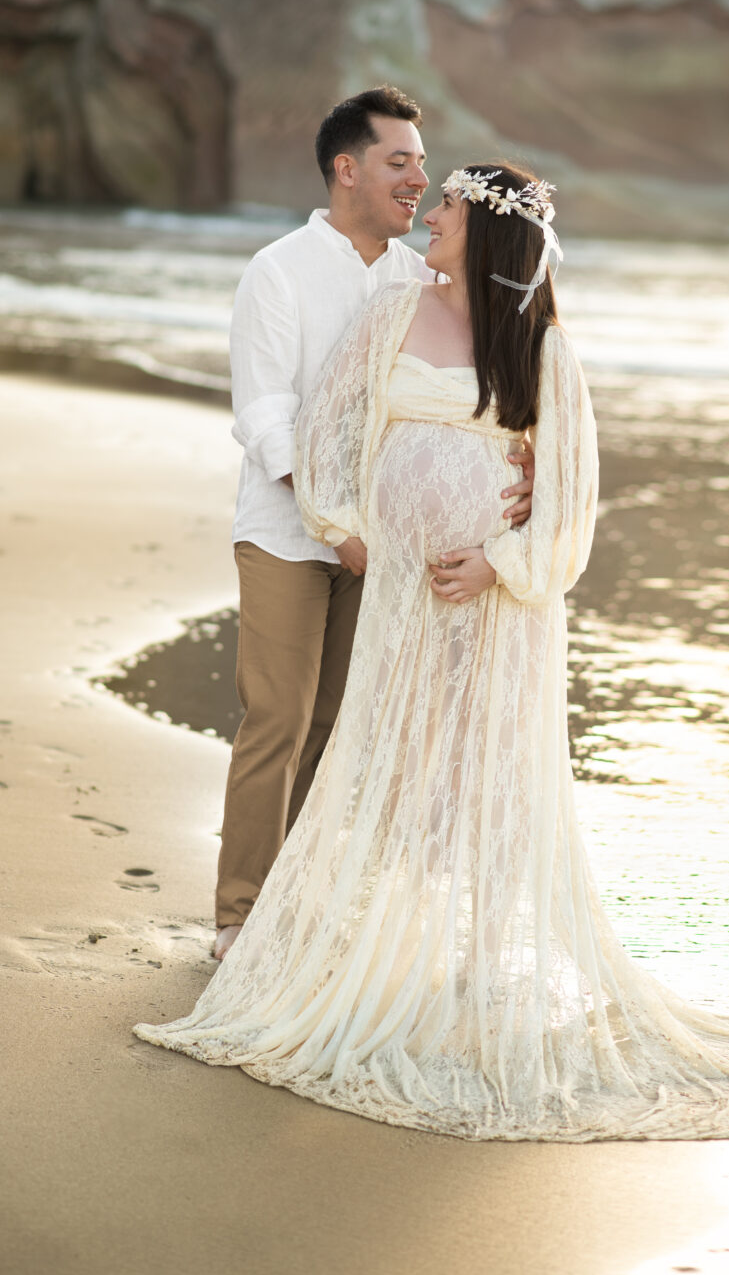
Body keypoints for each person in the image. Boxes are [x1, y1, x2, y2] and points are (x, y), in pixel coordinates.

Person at [136, 163, 729, 1139]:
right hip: (401, 600)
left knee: (476, 769)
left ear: (486, 230)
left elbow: (568, 499)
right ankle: (376, 953)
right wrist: (352, 530)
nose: (432, 214)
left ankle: (470, 968)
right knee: (390, 758)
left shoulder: (540, 347)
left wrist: (499, 561)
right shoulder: (390, 316)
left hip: (498, 609)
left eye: (449, 206)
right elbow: (331, 427)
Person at [215, 91, 534, 962]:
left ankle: (292, 905)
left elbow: (470, 388)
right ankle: (239, 914)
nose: (419, 180)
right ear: (346, 168)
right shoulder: (278, 271)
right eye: (400, 162)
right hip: (286, 532)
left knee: (337, 722)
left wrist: (525, 465)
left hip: (389, 547)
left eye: (422, 165)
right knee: (278, 718)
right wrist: (332, 521)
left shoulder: (419, 279)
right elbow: (265, 414)